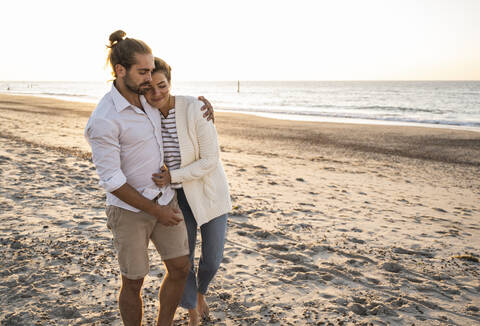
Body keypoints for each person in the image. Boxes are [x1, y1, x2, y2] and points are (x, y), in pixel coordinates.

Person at [84, 30, 214, 326]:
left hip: (166, 200)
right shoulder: (105, 119)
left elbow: (177, 108)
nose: (149, 78)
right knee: (133, 281)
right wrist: (156, 211)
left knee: (180, 268)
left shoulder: (148, 98)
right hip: (130, 210)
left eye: (151, 69)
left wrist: (204, 108)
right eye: (143, 72)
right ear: (120, 71)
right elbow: (112, 181)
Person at [146, 57, 231, 326]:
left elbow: (210, 160)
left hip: (208, 193)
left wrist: (174, 176)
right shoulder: (144, 113)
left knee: (213, 259)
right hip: (174, 198)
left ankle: (201, 292)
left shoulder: (194, 108)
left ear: (170, 83)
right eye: (149, 88)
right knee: (183, 262)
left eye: (162, 85)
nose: (156, 93)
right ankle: (192, 308)